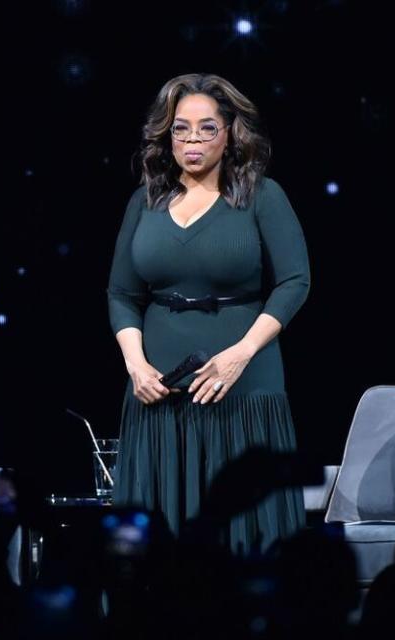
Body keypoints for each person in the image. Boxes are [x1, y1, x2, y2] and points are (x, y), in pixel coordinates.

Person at [107, 73, 309, 553]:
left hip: (243, 387)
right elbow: (121, 292)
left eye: (206, 128)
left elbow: (294, 282)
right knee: (160, 540)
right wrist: (136, 365)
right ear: (166, 134)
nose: (192, 140)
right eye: (181, 129)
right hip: (157, 392)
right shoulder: (145, 201)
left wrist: (239, 354)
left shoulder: (262, 196)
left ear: (230, 132)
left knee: (243, 534)